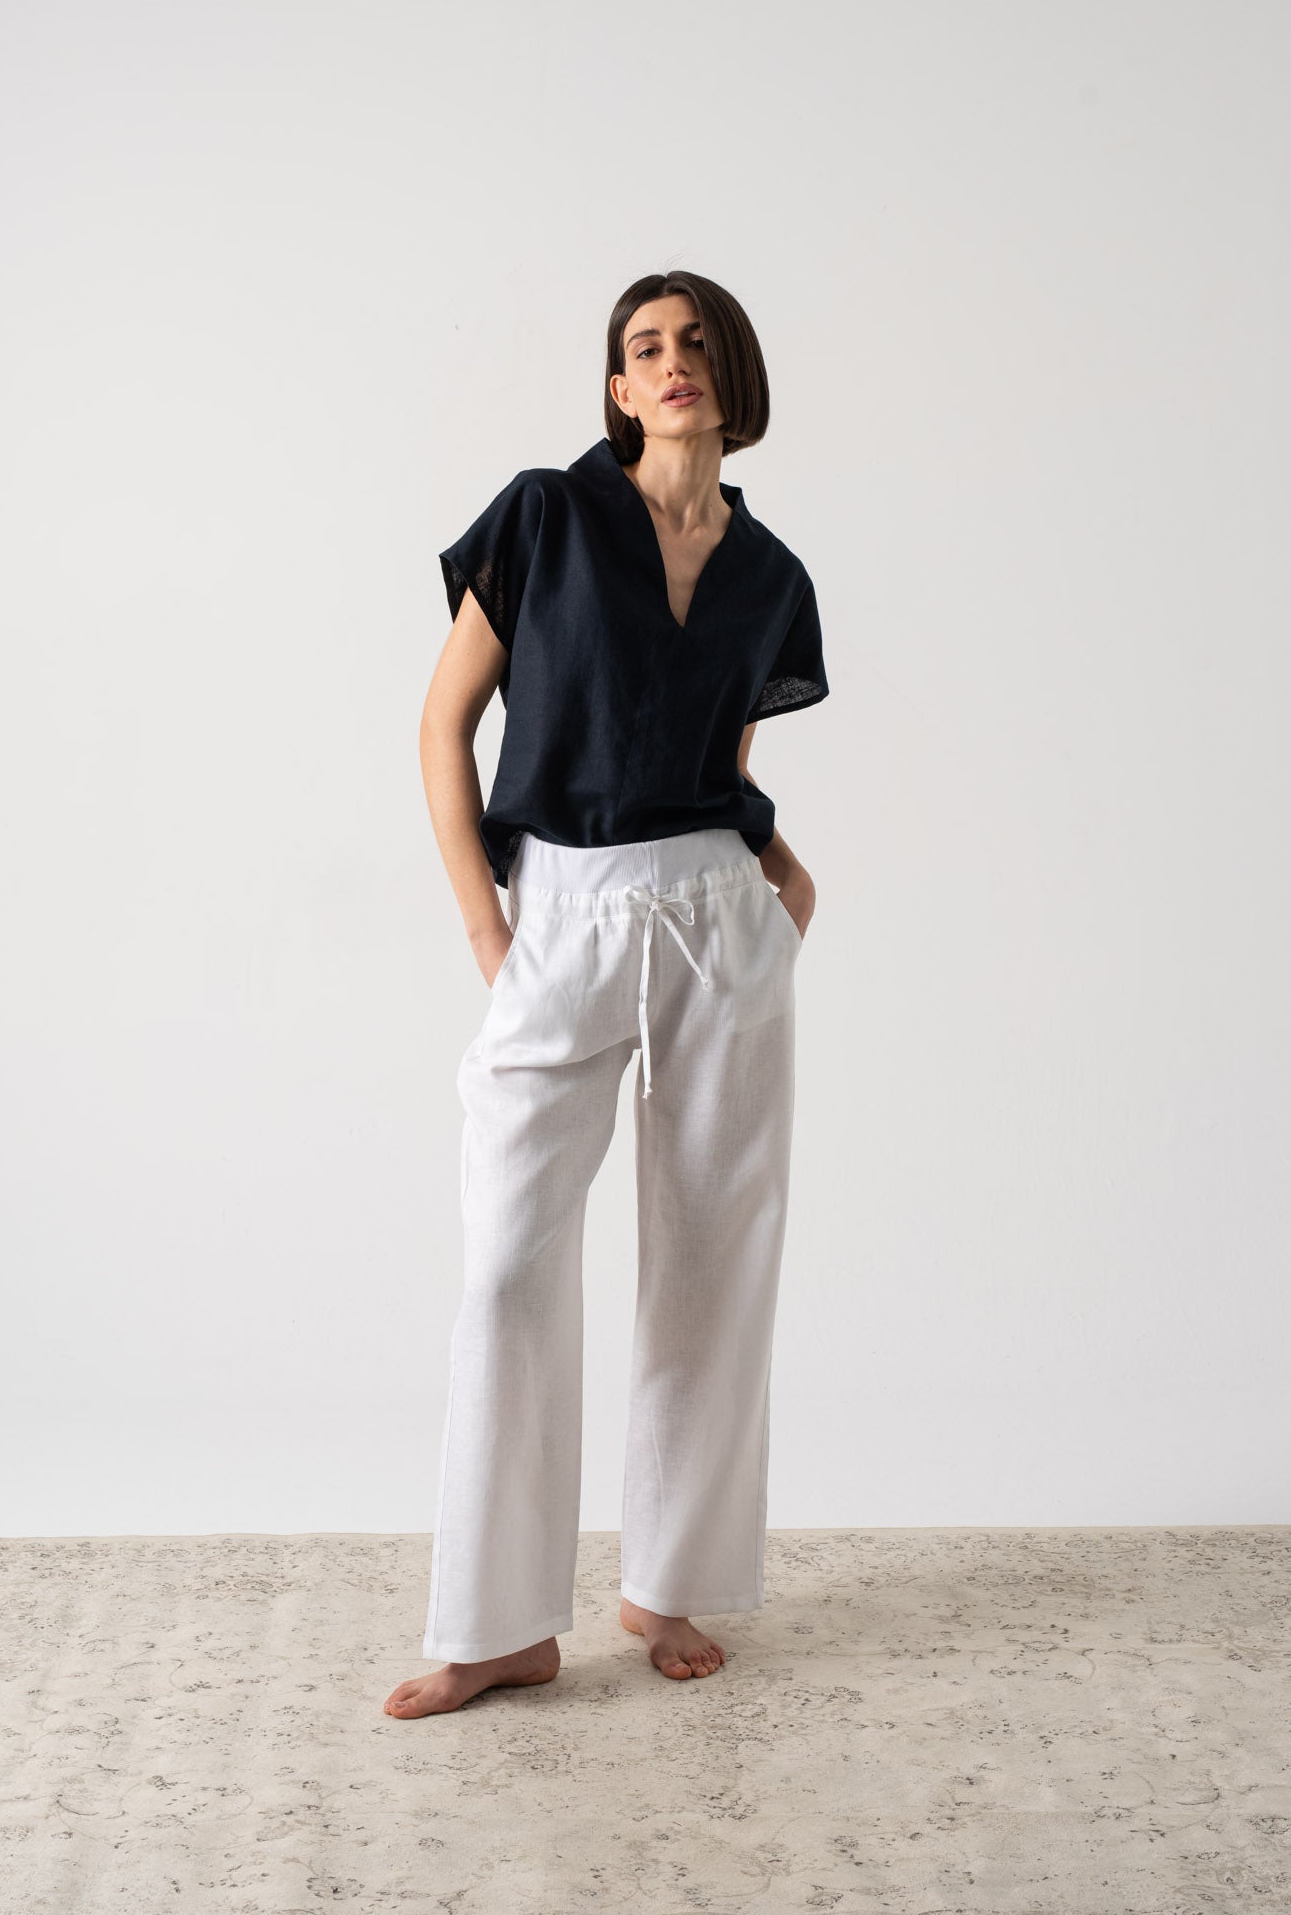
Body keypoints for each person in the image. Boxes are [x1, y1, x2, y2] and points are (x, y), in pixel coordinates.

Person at [385, 270, 829, 1719]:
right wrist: (487, 930)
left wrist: (785, 888)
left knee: (714, 1255)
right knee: (508, 1261)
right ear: (620, 390)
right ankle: (497, 1622)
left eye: (697, 341)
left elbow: (722, 768)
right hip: (560, 914)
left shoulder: (772, 578)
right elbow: (445, 726)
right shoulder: (544, 519)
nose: (673, 360)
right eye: (646, 347)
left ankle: (667, 1582)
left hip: (719, 919)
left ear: (731, 377)